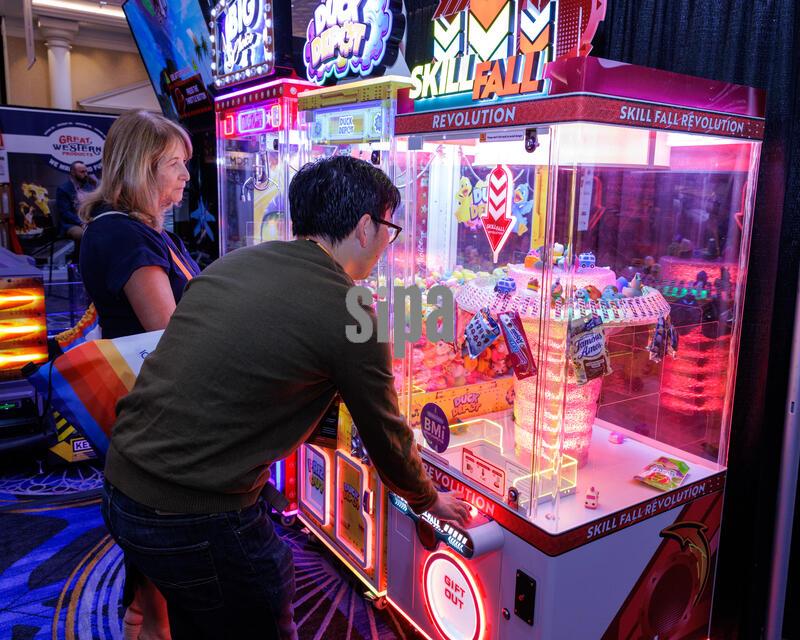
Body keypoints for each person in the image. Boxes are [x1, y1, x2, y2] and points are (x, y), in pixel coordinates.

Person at [100, 156, 470, 640]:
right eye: (390, 229)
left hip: (120, 487)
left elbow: (243, 373)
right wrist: (429, 499)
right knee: (258, 610)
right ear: (365, 227)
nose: (388, 243)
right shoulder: (352, 310)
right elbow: (386, 433)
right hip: (192, 512)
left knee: (202, 615)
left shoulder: (237, 263)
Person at [79, 110, 200, 640]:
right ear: (142, 166)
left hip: (149, 411)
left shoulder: (137, 229)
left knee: (153, 570)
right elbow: (170, 333)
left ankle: (145, 619)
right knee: (161, 554)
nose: (186, 175)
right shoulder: (125, 235)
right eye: (175, 163)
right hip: (155, 412)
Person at [56, 161, 97, 243]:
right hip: (71, 223)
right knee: (82, 234)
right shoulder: (63, 189)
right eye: (82, 172)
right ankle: (79, 252)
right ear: (73, 173)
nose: (86, 174)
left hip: (89, 219)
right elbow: (65, 212)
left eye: (86, 171)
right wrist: (81, 222)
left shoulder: (90, 187)